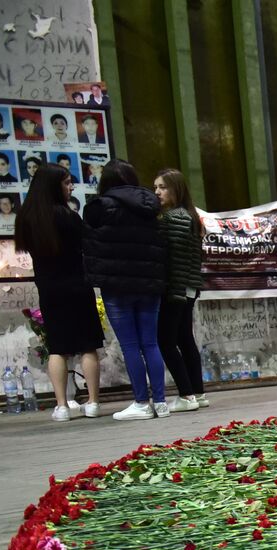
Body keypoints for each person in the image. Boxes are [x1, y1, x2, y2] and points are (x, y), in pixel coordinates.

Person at [15, 163, 104, 422]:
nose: (71, 187)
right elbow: (89, 243)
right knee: (88, 345)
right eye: (66, 183)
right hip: (77, 284)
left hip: (49, 288)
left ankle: (62, 406)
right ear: (54, 185)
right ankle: (93, 402)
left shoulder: (27, 218)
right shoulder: (68, 216)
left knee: (57, 347)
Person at [84, 159, 169, 420]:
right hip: (150, 284)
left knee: (131, 346)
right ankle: (162, 403)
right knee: (151, 343)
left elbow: (90, 245)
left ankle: (142, 403)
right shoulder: (150, 206)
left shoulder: (100, 207)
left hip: (117, 286)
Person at [153, 169, 206, 411]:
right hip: (189, 286)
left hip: (175, 286)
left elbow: (167, 258)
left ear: (176, 189)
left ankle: (186, 395)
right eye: (156, 187)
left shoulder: (172, 219)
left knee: (165, 341)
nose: (157, 192)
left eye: (162, 187)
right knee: (185, 339)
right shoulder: (191, 216)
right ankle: (197, 392)